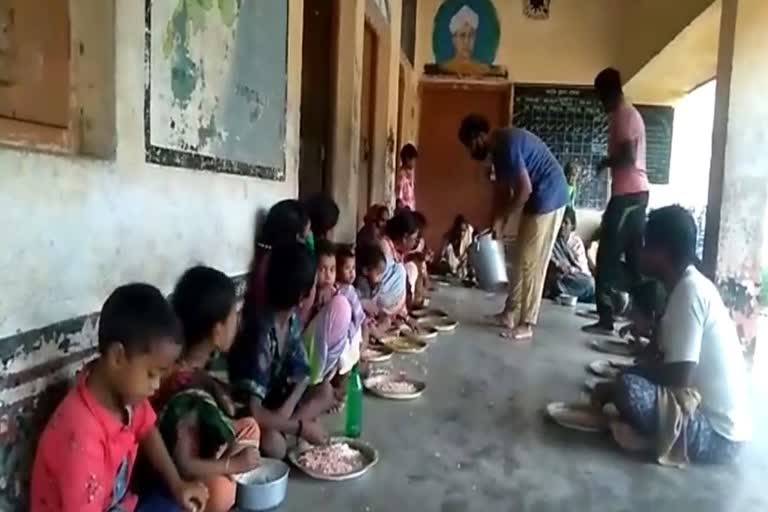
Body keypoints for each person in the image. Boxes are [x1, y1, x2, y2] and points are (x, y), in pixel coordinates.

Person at [592, 206, 751, 464]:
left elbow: (679, 376)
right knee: (629, 379)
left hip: (718, 436)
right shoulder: (684, 285)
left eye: (645, 246)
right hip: (708, 418)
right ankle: (648, 433)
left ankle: (655, 439)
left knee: (627, 388)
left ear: (662, 252)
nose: (639, 253)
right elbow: (665, 356)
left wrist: (618, 383)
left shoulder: (689, 291)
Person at [30, 284, 209, 512]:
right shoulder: (81, 440)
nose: (155, 385)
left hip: (117, 504)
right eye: (151, 374)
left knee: (179, 501)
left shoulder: (126, 396)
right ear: (117, 357)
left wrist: (177, 485)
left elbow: (146, 428)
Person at [151, 267, 260, 512]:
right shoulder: (185, 390)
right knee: (222, 491)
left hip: (200, 454)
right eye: (234, 316)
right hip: (178, 478)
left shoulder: (194, 363)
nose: (238, 321)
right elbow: (184, 464)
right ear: (217, 330)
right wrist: (233, 464)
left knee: (249, 426)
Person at [459, 114, 568, 340]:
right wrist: (496, 221)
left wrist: (504, 218)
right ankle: (510, 313)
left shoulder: (507, 144)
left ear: (479, 136)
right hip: (536, 199)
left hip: (550, 196)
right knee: (519, 258)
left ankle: (527, 322)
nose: (472, 152)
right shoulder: (498, 151)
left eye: (471, 145)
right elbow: (502, 192)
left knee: (531, 262)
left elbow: (524, 190)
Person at [228, 241, 329, 459]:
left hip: (276, 402)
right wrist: (300, 428)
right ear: (303, 296)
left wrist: (287, 415)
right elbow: (253, 410)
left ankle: (284, 428)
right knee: (275, 447)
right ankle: (285, 431)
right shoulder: (260, 331)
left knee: (326, 391)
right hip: (249, 411)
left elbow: (302, 375)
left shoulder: (290, 320)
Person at [583, 68, 650, 335]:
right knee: (634, 261)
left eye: (601, 97)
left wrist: (604, 162)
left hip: (627, 195)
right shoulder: (627, 114)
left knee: (606, 256)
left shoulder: (624, 116)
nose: (601, 104)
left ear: (609, 93)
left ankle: (606, 318)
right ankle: (645, 317)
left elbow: (628, 158)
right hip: (637, 194)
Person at [545, 207, 594, 302]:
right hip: (559, 277)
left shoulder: (575, 242)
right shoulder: (552, 240)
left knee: (589, 283)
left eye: (566, 223)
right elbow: (551, 262)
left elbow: (581, 269)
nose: (562, 226)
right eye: (561, 222)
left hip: (574, 276)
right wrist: (560, 266)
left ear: (572, 226)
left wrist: (569, 269)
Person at [439, 5, 490, 76]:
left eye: (471, 35)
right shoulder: (444, 69)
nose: (466, 41)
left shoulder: (484, 70)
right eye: (462, 35)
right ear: (454, 40)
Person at [436, 214, 475, 279]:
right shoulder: (450, 239)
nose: (462, 233)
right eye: (460, 230)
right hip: (450, 267)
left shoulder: (468, 237)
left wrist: (463, 261)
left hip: (462, 268)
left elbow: (468, 253)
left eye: (464, 231)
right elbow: (443, 255)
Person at [396, 144, 418, 211]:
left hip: (411, 209)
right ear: (407, 159)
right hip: (405, 210)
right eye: (413, 160)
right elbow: (399, 196)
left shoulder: (411, 174)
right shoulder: (401, 175)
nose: (414, 163)